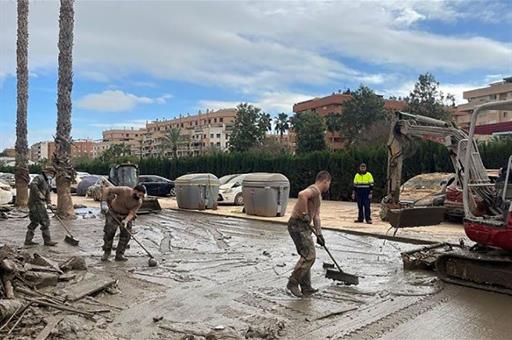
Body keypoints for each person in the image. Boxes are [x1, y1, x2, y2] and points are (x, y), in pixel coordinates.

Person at [286, 171, 331, 297]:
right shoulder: (314, 190)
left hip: (303, 226)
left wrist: (319, 234)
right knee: (309, 256)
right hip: (297, 225)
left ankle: (306, 287)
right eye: (329, 183)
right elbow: (302, 195)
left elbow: (316, 216)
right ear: (325, 181)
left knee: (307, 255)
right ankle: (292, 283)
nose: (329, 186)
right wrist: (305, 214)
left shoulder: (318, 196)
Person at [101, 183, 146, 262]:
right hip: (113, 212)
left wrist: (126, 221)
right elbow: (107, 189)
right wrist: (104, 203)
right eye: (139, 195)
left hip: (126, 216)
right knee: (109, 233)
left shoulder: (138, 202)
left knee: (126, 235)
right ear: (134, 190)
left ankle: (120, 254)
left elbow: (132, 213)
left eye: (142, 196)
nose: (140, 197)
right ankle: (106, 253)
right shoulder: (124, 190)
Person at [24, 166, 58, 246]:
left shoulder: (47, 182)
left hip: (39, 203)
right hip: (36, 204)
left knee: (34, 222)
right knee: (45, 221)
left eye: (53, 174)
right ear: (46, 172)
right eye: (51, 173)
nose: (52, 175)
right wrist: (39, 194)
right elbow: (33, 185)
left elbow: (48, 194)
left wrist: (49, 203)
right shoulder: (39, 178)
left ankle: (28, 240)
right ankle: (47, 241)